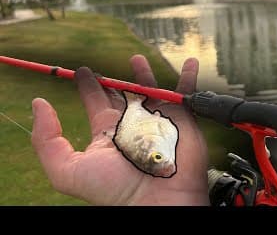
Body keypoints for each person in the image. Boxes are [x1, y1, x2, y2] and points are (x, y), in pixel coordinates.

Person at [31, 54, 210, 206]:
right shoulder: (163, 148)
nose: (164, 162)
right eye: (158, 157)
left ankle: (133, 103)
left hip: (143, 122)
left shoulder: (159, 144)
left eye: (158, 158)